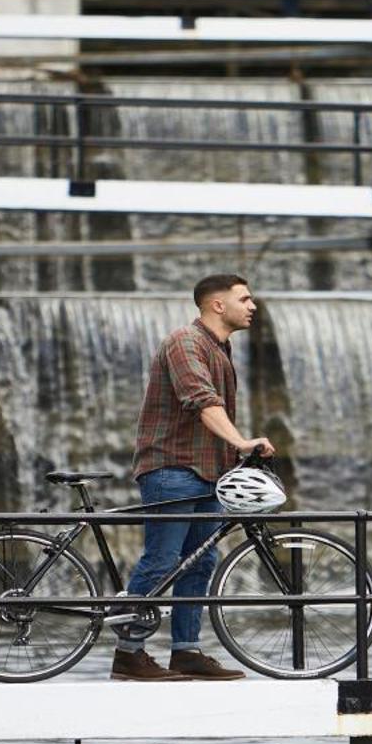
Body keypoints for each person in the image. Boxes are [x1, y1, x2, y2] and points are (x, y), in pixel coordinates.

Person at [115, 273, 275, 682]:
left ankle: (186, 651)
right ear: (217, 305)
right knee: (163, 559)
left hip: (208, 473)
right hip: (173, 468)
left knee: (201, 561)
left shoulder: (220, 347)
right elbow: (200, 400)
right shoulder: (186, 342)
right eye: (245, 298)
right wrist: (241, 441)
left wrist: (236, 453)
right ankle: (128, 654)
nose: (253, 305)